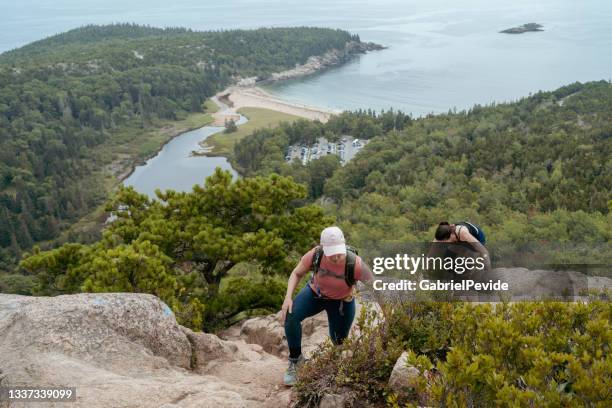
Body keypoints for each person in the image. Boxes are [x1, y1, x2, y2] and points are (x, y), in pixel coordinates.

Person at [280, 226, 373, 386]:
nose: (336, 257)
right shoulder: (316, 254)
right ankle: (296, 361)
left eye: (339, 252)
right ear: (323, 248)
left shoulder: (355, 264)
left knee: (339, 342)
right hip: (315, 294)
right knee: (291, 315)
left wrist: (390, 317)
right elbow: (296, 273)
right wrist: (288, 298)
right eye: (332, 254)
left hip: (341, 303)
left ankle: (334, 365)